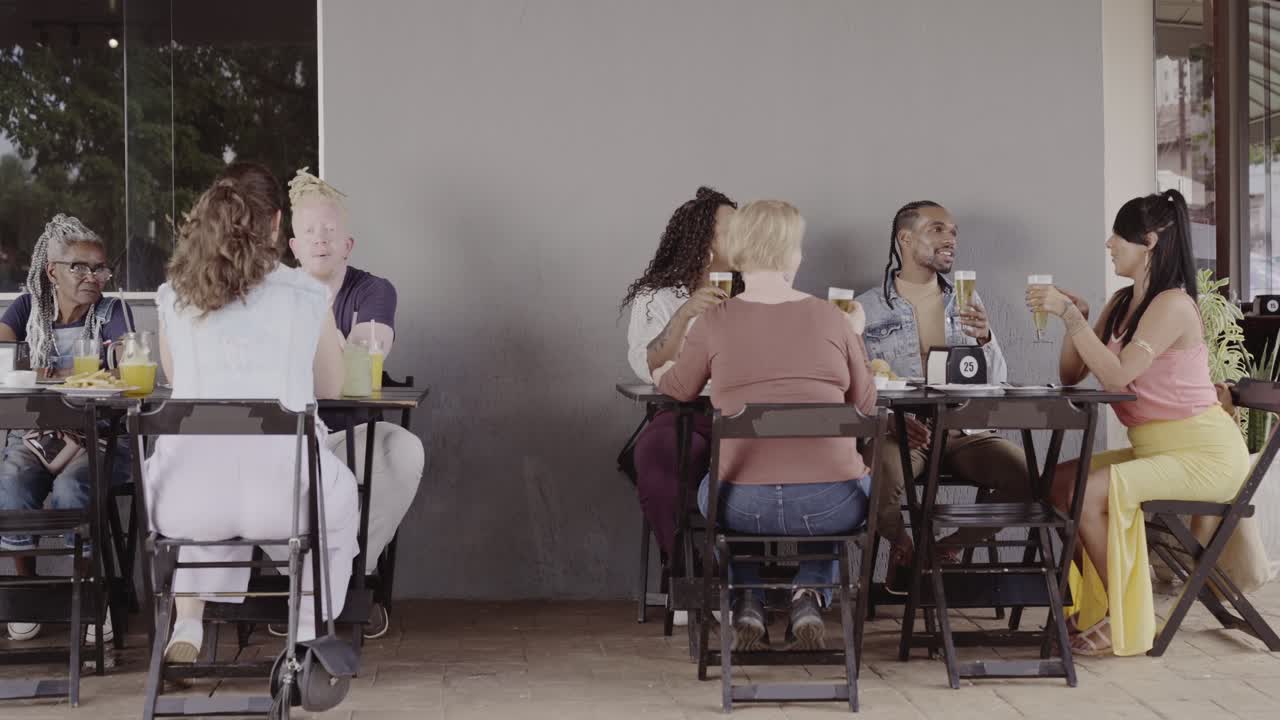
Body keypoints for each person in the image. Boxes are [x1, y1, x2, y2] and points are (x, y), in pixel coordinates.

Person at [148, 162, 360, 662]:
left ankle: (189, 622)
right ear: (275, 225)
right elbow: (330, 384)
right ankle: (306, 634)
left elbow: (180, 382)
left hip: (187, 505)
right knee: (340, 498)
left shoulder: (175, 296)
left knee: (201, 466)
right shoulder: (307, 294)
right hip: (284, 500)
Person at [1028, 189, 1248, 657]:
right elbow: (1071, 374)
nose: (1109, 244)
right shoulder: (1123, 302)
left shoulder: (1172, 305)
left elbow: (1120, 377)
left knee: (1086, 492)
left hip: (1203, 454)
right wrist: (1082, 320)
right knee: (1060, 483)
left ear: (1148, 241)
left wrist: (1069, 317)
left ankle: (1122, 615)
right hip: (1158, 449)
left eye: (1118, 237)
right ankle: (1099, 605)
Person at [656, 199, 876, 650]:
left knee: (714, 492)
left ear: (738, 253)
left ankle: (748, 600)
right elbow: (867, 406)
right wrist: (854, 334)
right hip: (832, 504)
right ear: (792, 255)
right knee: (855, 484)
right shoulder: (833, 318)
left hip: (741, 504)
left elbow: (678, 388)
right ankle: (808, 593)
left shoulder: (713, 321)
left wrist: (658, 369)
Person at [855, 201, 1028, 592]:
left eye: (953, 231)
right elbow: (852, 383)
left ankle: (938, 553)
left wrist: (985, 339)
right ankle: (903, 547)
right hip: (900, 433)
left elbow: (996, 381)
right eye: (937, 229)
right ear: (905, 238)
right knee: (870, 479)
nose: (950, 238)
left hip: (962, 430)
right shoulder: (863, 308)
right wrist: (892, 422)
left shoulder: (966, 301)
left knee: (1027, 478)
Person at [285, 167, 425, 639]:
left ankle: (348, 578)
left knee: (405, 450)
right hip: (287, 440)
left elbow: (366, 354)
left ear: (348, 244)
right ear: (293, 247)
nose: (320, 241)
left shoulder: (372, 290)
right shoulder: (274, 295)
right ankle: (303, 585)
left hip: (350, 436)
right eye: (309, 232)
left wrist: (318, 330)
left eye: (330, 231)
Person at [0, 214, 133, 642]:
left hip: (99, 438)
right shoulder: (27, 309)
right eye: (80, 267)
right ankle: (28, 591)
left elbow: (127, 364)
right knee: (12, 485)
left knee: (73, 491)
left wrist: (49, 373)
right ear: (51, 271)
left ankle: (89, 595)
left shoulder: (114, 312)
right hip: (36, 436)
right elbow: (2, 353)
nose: (93, 277)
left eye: (99, 268)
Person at [622, 187, 736, 625]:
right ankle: (691, 576)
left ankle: (756, 585)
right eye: (735, 231)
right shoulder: (659, 296)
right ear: (706, 241)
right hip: (685, 414)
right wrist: (685, 315)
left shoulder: (758, 291)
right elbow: (644, 363)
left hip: (745, 416)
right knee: (655, 455)